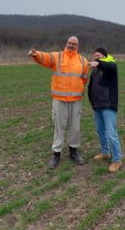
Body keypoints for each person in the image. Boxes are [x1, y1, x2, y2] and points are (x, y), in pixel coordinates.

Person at [28, 36, 89, 169]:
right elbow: (45, 58)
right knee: (59, 127)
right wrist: (36, 54)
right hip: (59, 100)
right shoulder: (58, 56)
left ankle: (74, 152)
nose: (71, 45)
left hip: (76, 100)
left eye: (74, 44)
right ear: (66, 43)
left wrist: (75, 90)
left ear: (78, 46)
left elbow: (84, 79)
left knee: (75, 127)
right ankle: (56, 154)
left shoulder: (83, 61)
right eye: (69, 43)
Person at [88, 47, 122, 173]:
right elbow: (91, 87)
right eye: (94, 54)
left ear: (104, 56)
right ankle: (105, 152)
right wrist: (92, 101)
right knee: (100, 130)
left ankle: (117, 160)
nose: (95, 56)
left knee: (111, 133)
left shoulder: (111, 64)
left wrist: (99, 63)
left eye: (98, 54)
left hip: (108, 105)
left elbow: (109, 67)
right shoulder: (95, 70)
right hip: (98, 106)